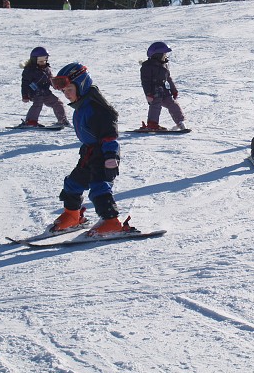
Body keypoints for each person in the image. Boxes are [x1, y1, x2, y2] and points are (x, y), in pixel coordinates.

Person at [49, 63, 127, 236]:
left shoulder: (98, 110)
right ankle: (72, 216)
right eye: (63, 91)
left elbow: (110, 136)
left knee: (100, 188)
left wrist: (111, 156)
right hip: (88, 153)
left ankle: (111, 221)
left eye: (69, 89)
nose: (66, 94)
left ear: (82, 85)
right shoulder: (82, 105)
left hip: (102, 155)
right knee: (73, 184)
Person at [140, 41, 186, 131]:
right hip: (153, 92)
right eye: (164, 54)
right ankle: (152, 124)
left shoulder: (164, 66)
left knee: (172, 104)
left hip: (164, 91)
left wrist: (174, 90)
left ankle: (180, 122)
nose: (166, 56)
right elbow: (145, 81)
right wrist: (148, 94)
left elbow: (168, 78)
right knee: (155, 105)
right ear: (157, 55)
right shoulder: (147, 67)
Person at [19, 47, 69, 127]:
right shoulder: (29, 70)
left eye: (45, 61)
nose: (43, 63)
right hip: (34, 92)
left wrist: (57, 85)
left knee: (57, 102)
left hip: (45, 92)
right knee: (38, 103)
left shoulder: (47, 69)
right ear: (34, 60)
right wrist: (24, 95)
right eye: (40, 61)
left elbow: (51, 80)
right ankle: (31, 121)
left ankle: (62, 120)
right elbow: (25, 83)